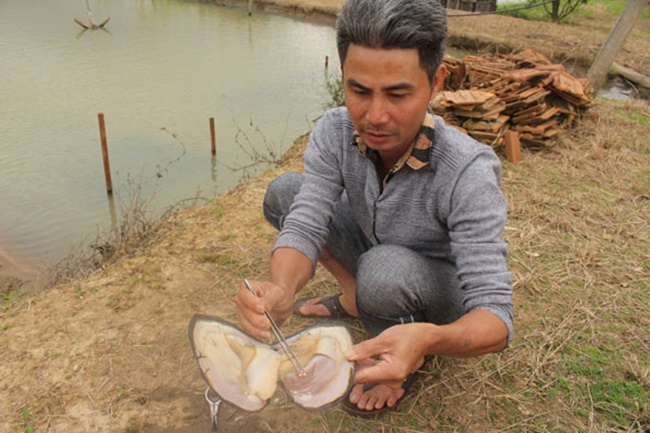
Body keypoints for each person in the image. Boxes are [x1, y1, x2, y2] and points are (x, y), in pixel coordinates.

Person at [234, 0, 513, 416]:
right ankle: (355, 297)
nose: (374, 116)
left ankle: (403, 350)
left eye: (398, 94)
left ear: (436, 82)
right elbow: (307, 222)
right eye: (359, 91)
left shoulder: (468, 170)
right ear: (343, 77)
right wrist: (282, 290)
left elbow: (496, 318)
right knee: (285, 193)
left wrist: (429, 340)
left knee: (382, 271)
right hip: (376, 253)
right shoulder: (335, 129)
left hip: (436, 289)